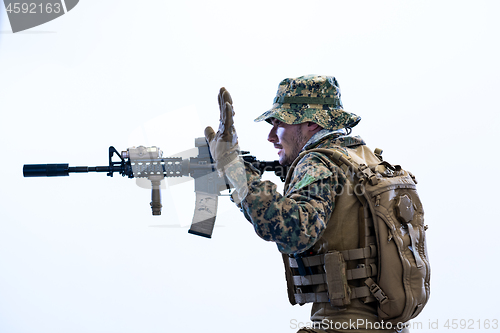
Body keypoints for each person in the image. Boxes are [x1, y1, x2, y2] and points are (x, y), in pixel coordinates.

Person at [205, 75, 409, 333]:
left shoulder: (318, 163)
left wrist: (233, 168)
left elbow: (294, 231)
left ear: (311, 122)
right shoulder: (365, 159)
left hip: (341, 326)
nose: (271, 136)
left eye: (278, 123)